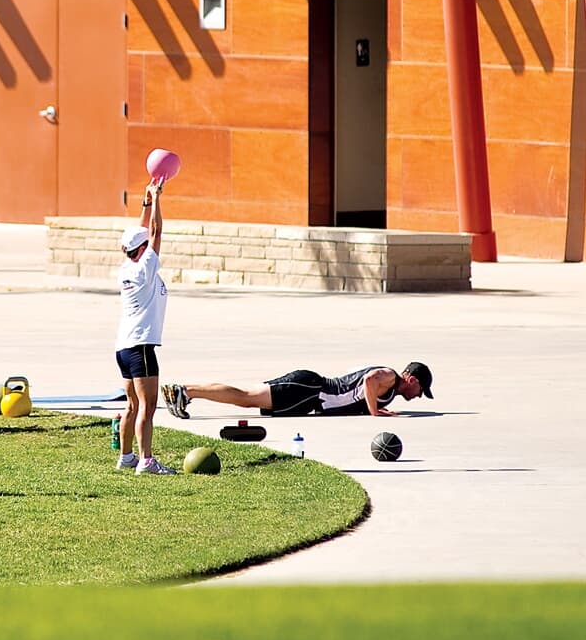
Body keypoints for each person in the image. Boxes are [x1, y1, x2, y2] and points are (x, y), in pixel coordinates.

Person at [114, 180, 173, 474]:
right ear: (143, 249)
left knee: (132, 405)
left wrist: (146, 200)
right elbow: (155, 231)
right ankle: (146, 460)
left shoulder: (127, 266)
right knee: (148, 407)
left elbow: (142, 233)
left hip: (123, 347)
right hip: (141, 346)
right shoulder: (146, 267)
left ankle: (126, 457)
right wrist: (158, 199)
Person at [163, 362, 432, 420]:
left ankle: (186, 392)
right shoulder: (389, 376)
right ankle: (185, 391)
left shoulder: (392, 390)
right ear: (411, 377)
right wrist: (375, 412)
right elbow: (370, 380)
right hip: (309, 389)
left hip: (308, 396)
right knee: (245, 398)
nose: (419, 395)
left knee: (245, 398)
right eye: (421, 388)